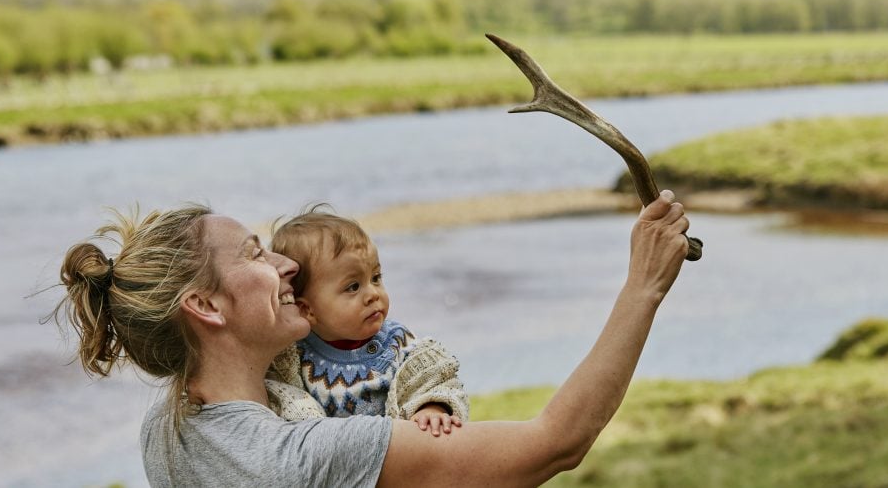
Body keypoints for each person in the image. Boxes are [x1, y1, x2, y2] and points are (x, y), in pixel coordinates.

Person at [53, 190, 690, 486]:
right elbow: (556, 444)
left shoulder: (168, 428)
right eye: (254, 255)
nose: (285, 265)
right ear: (204, 305)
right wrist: (643, 288)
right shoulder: (308, 456)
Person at [266, 208, 469, 434]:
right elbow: (283, 399)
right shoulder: (295, 358)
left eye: (376, 278)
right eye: (353, 287)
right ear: (307, 309)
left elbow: (432, 378)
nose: (373, 293)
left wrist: (430, 407)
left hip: (398, 456)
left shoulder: (395, 341)